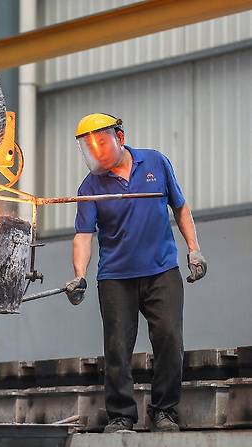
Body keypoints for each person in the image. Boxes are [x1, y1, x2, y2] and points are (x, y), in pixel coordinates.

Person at [65, 113, 206, 433]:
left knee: (170, 338)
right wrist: (80, 274)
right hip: (115, 278)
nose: (96, 152)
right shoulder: (90, 187)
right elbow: (83, 235)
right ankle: (121, 416)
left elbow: (180, 207)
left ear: (120, 138)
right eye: (89, 147)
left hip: (162, 271)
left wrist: (194, 249)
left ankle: (165, 411)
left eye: (101, 143)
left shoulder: (156, 162)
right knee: (117, 347)